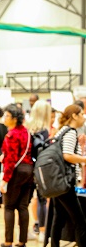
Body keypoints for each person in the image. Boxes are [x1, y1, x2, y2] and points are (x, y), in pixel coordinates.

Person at [50, 104, 86, 247]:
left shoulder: (61, 131)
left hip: (57, 179)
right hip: (65, 181)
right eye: (81, 114)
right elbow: (67, 155)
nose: (83, 117)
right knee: (80, 221)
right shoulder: (70, 132)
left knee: (58, 218)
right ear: (74, 116)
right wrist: (84, 159)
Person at [0, 104, 33, 247]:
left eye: (7, 116)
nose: (4, 118)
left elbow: (11, 160)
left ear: (14, 118)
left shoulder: (11, 135)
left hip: (15, 173)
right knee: (23, 207)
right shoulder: (26, 131)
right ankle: (22, 241)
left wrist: (4, 181)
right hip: (28, 171)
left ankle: (8, 242)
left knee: (9, 207)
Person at [26, 99, 51, 242]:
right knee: (42, 199)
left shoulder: (27, 128)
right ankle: (42, 231)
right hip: (41, 168)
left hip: (26, 167)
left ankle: (28, 230)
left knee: (26, 201)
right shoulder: (45, 131)